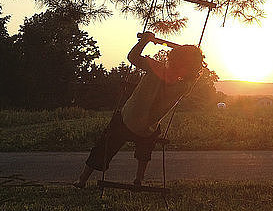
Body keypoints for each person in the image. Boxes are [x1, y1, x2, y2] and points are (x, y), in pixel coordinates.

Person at [73, 31, 204, 188]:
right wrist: (196, 61)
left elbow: (132, 57)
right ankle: (138, 179)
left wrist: (145, 41)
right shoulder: (184, 86)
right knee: (146, 149)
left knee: (104, 147)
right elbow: (193, 77)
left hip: (127, 119)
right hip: (148, 128)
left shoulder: (156, 67)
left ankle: (82, 179)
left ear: (173, 58)